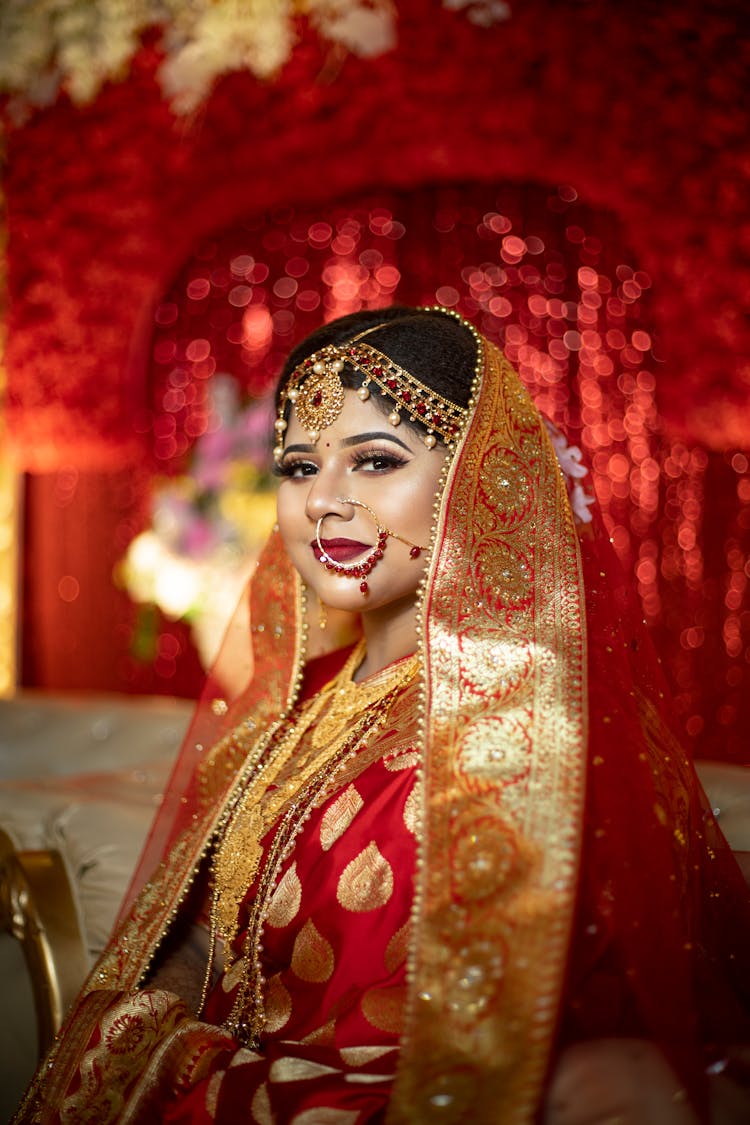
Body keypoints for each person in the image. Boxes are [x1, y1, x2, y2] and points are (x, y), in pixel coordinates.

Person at [15, 306, 750, 1124]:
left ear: (481, 476)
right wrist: (172, 1025)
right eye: (298, 466)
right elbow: (200, 937)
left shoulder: (543, 730)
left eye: (374, 459)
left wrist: (174, 1056)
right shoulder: (302, 703)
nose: (324, 500)